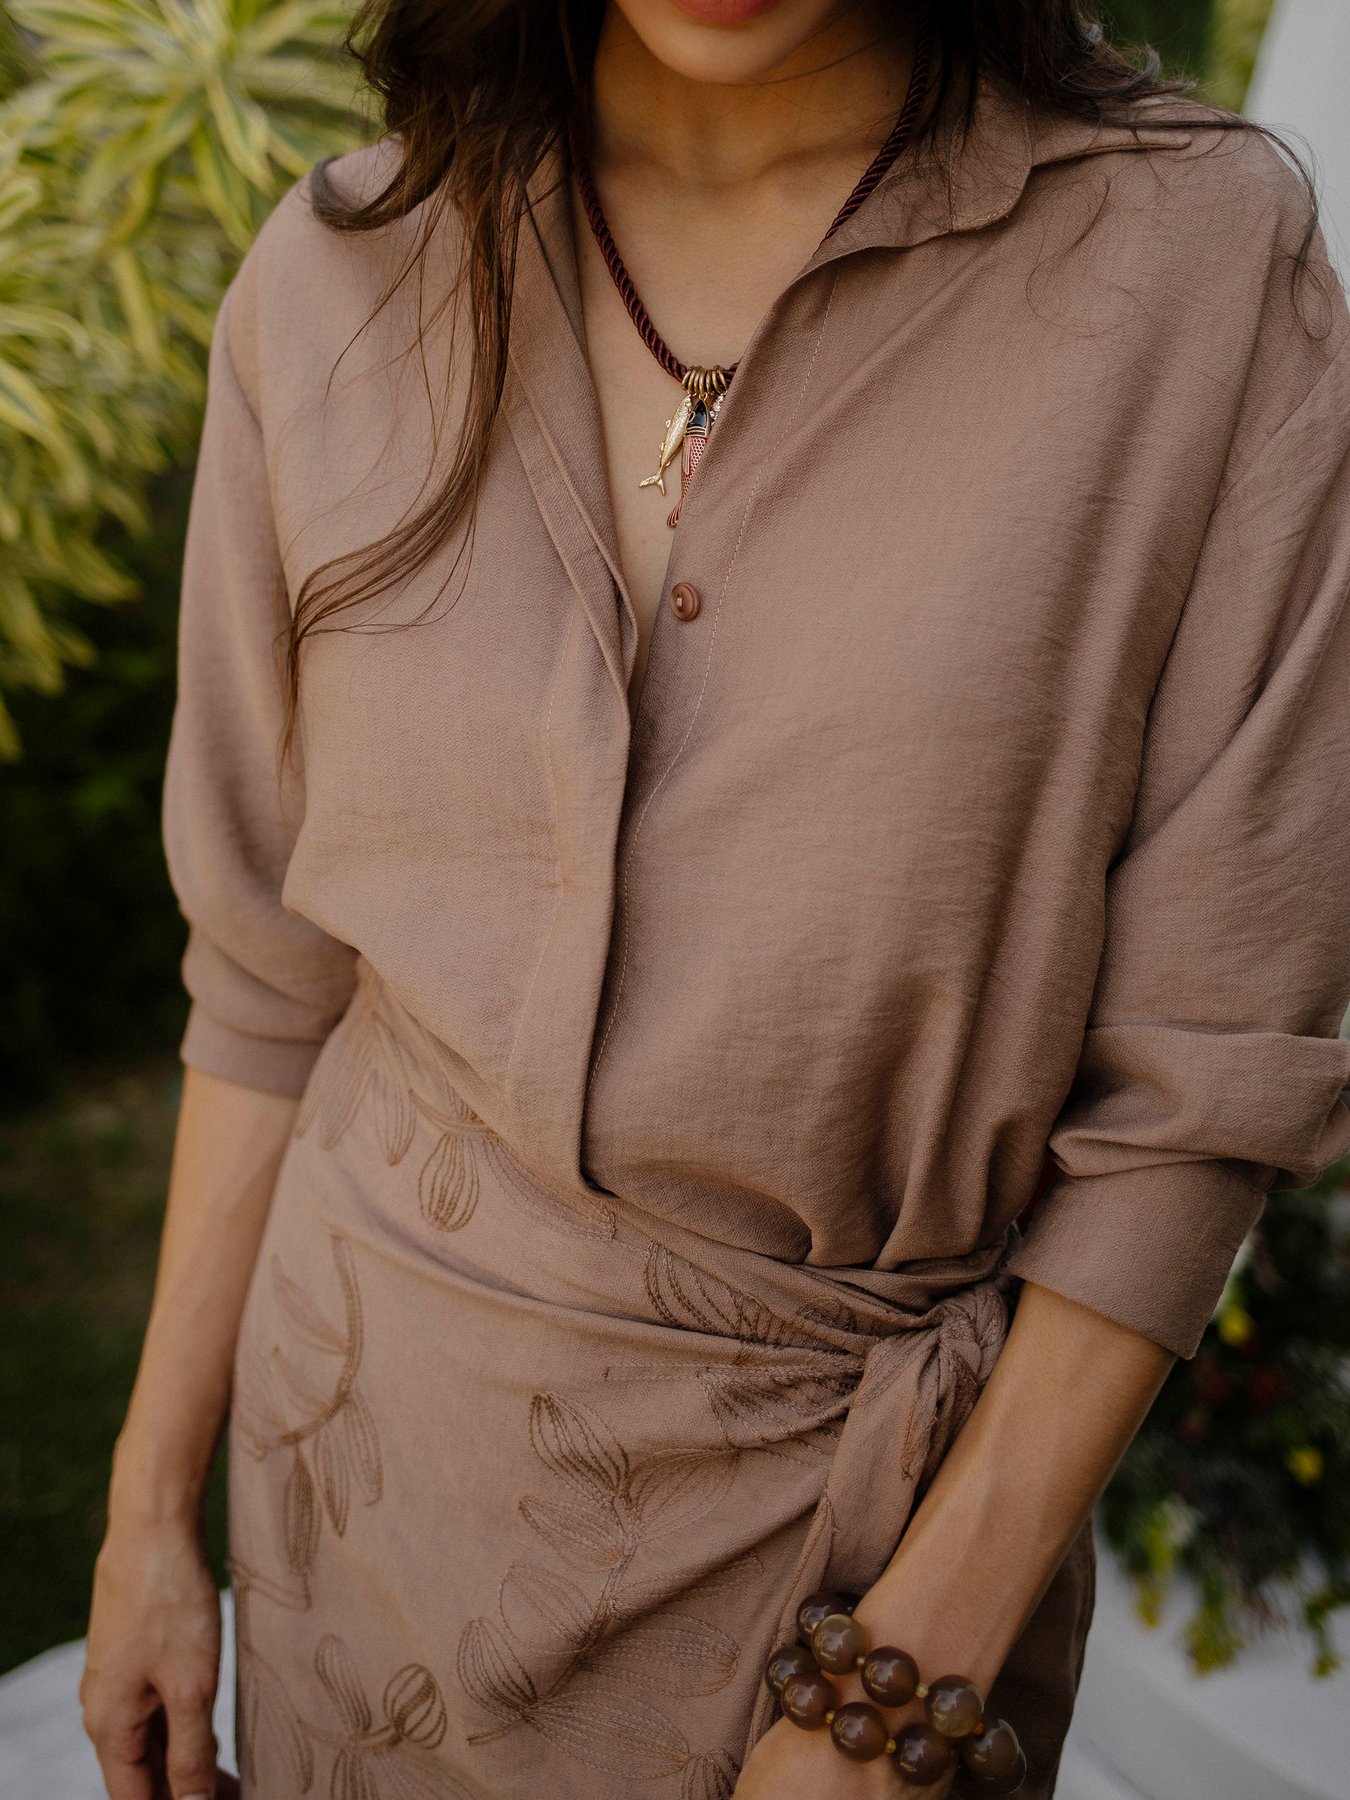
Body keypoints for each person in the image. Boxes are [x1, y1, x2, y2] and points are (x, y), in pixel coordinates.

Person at [78, 0, 1350, 1793]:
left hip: (839, 1567)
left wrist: (897, 1688)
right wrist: (148, 1509)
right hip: (347, 1503)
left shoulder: (1193, 265)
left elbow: (1208, 1073)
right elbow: (271, 977)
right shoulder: (339, 270)